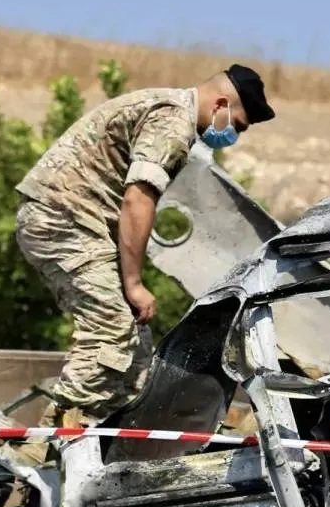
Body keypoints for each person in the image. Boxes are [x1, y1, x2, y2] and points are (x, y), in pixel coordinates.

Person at [15, 66, 274, 427]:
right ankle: (47, 449)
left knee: (136, 353)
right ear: (220, 104)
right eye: (238, 125)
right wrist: (133, 284)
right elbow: (138, 199)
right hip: (63, 219)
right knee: (111, 328)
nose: (233, 135)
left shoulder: (170, 112)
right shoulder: (173, 120)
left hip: (76, 224)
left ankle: (112, 444)